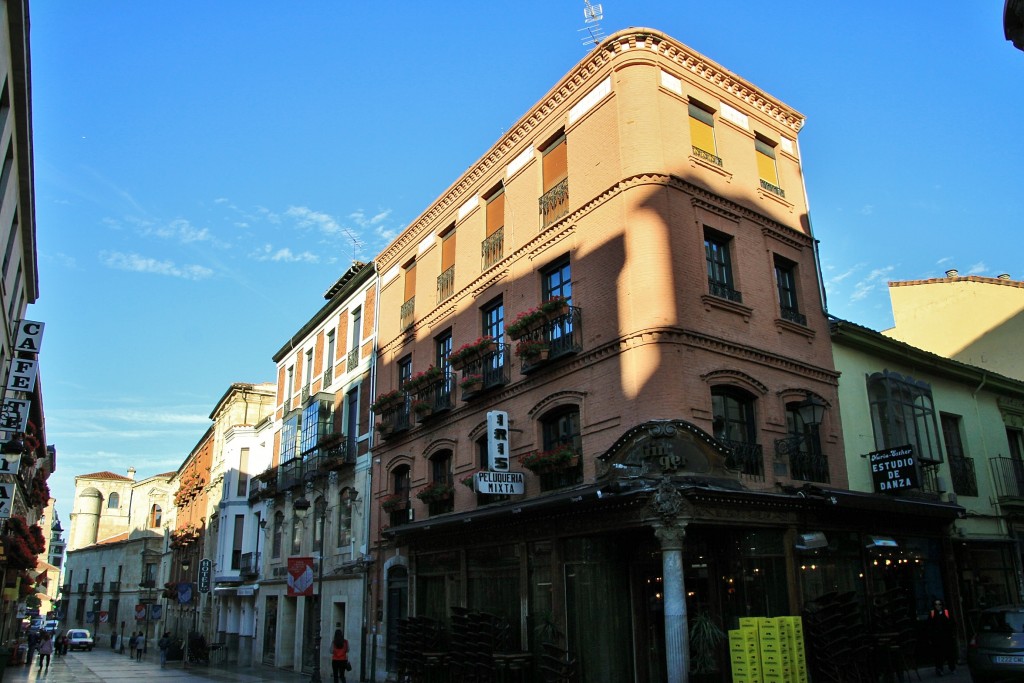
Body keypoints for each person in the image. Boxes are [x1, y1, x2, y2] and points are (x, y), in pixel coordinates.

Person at [928, 599, 957, 675]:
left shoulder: (946, 612)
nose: (938, 606)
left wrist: (951, 632)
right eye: (936, 604)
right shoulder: (932, 613)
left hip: (947, 637)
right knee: (938, 654)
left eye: (939, 604)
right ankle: (939, 669)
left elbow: (953, 623)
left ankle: (952, 668)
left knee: (949, 653)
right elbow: (929, 626)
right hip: (937, 638)